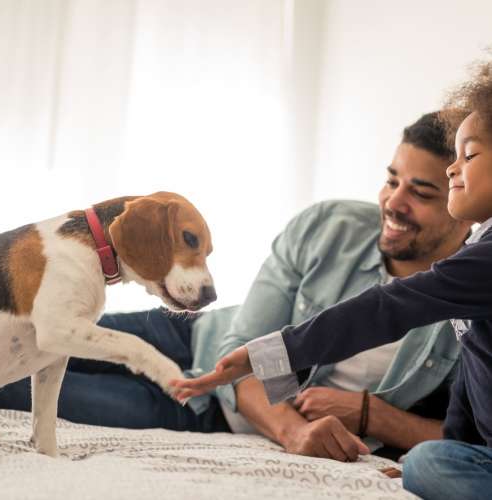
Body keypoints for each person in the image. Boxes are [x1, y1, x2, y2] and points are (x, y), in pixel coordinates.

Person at [0, 113, 471, 462]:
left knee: (6, 392)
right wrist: (290, 430)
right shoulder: (329, 226)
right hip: (189, 334)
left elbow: (471, 438)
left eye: (422, 193)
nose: (394, 202)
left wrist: (373, 417)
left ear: (462, 194)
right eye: (391, 181)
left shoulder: (470, 301)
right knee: (29, 334)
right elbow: (240, 346)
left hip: (203, 408)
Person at [172, 60, 492, 499]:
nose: (455, 170)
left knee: (427, 462)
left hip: (217, 389)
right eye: (453, 159)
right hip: (197, 341)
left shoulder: (483, 261)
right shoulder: (477, 248)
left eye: (468, 156)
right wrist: (453, 449)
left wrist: (270, 355)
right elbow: (471, 384)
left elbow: (385, 308)